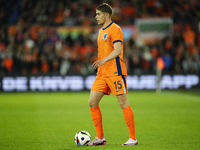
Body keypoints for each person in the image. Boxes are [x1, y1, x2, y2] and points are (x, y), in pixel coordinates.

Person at [88, 3, 138, 146]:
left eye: (98, 14)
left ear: (106, 15)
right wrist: (101, 64)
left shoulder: (115, 29)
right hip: (102, 73)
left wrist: (102, 60)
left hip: (115, 72)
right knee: (92, 102)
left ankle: (133, 138)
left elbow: (117, 50)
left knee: (123, 103)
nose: (95, 17)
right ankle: (100, 137)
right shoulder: (100, 31)